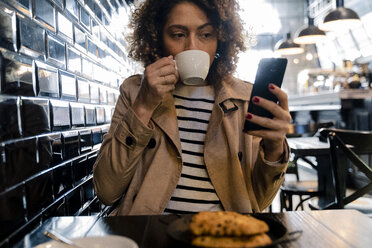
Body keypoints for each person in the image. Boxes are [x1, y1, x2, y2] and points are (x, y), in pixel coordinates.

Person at [93, 0, 291, 215]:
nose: (192, 47)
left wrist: (274, 149)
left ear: (221, 40)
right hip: (150, 233)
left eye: (206, 35)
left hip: (224, 233)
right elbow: (106, 191)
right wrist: (143, 106)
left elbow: (259, 201)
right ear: (157, 38)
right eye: (178, 34)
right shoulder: (135, 91)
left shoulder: (243, 100)